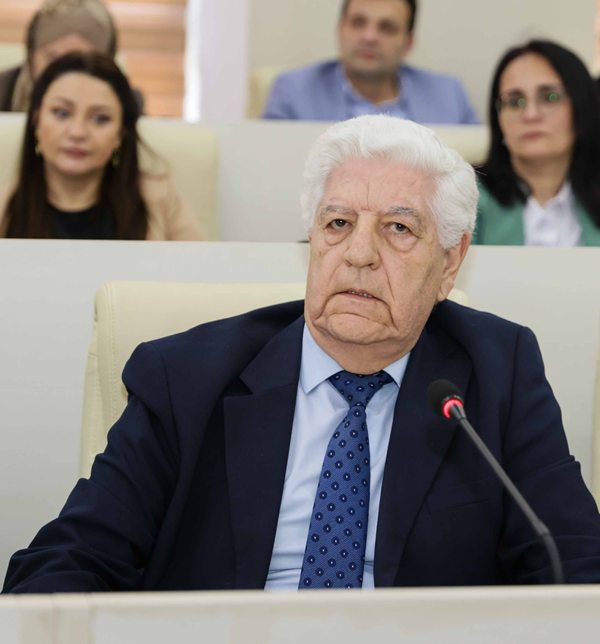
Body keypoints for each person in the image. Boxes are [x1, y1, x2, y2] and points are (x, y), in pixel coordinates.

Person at [4, 114, 600, 593]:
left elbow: (575, 564)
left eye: (398, 229)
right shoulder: (184, 378)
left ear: (450, 261)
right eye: (338, 223)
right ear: (312, 238)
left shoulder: (498, 372)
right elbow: (67, 562)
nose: (359, 254)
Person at [0, 51, 202, 240]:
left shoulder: (159, 199)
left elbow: (201, 263)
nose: (78, 132)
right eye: (62, 113)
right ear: (36, 121)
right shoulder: (5, 205)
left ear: (121, 134)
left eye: (100, 118)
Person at [262, 0, 478, 124]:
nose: (369, 37)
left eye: (386, 27)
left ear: (408, 43)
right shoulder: (293, 91)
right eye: (358, 23)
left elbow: (479, 173)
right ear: (340, 29)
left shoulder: (449, 94)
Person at [474, 40, 600, 246]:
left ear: (581, 107)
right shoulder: (465, 200)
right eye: (515, 101)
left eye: (550, 97)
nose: (530, 114)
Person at [0, 0, 143, 113]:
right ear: (31, 56)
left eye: (80, 62)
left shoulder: (128, 105)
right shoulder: (3, 90)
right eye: (53, 59)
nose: (64, 74)